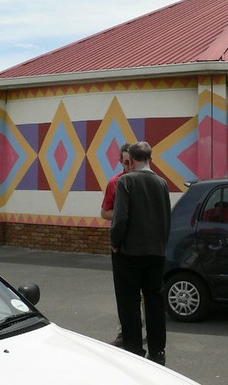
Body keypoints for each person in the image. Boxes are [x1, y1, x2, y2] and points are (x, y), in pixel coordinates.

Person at [110, 141, 170, 366]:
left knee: (129, 303)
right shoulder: (162, 183)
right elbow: (166, 218)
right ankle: (158, 351)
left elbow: (120, 219)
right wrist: (161, 245)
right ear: (150, 159)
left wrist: (115, 243)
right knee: (154, 302)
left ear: (132, 160)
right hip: (156, 252)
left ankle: (134, 350)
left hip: (129, 254)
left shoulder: (126, 181)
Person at [100, 142, 132, 346]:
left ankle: (142, 327)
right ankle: (123, 331)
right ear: (120, 162)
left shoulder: (148, 181)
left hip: (143, 244)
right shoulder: (115, 183)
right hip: (122, 244)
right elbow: (104, 212)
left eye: (132, 161)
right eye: (125, 162)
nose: (129, 165)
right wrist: (125, 216)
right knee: (124, 290)